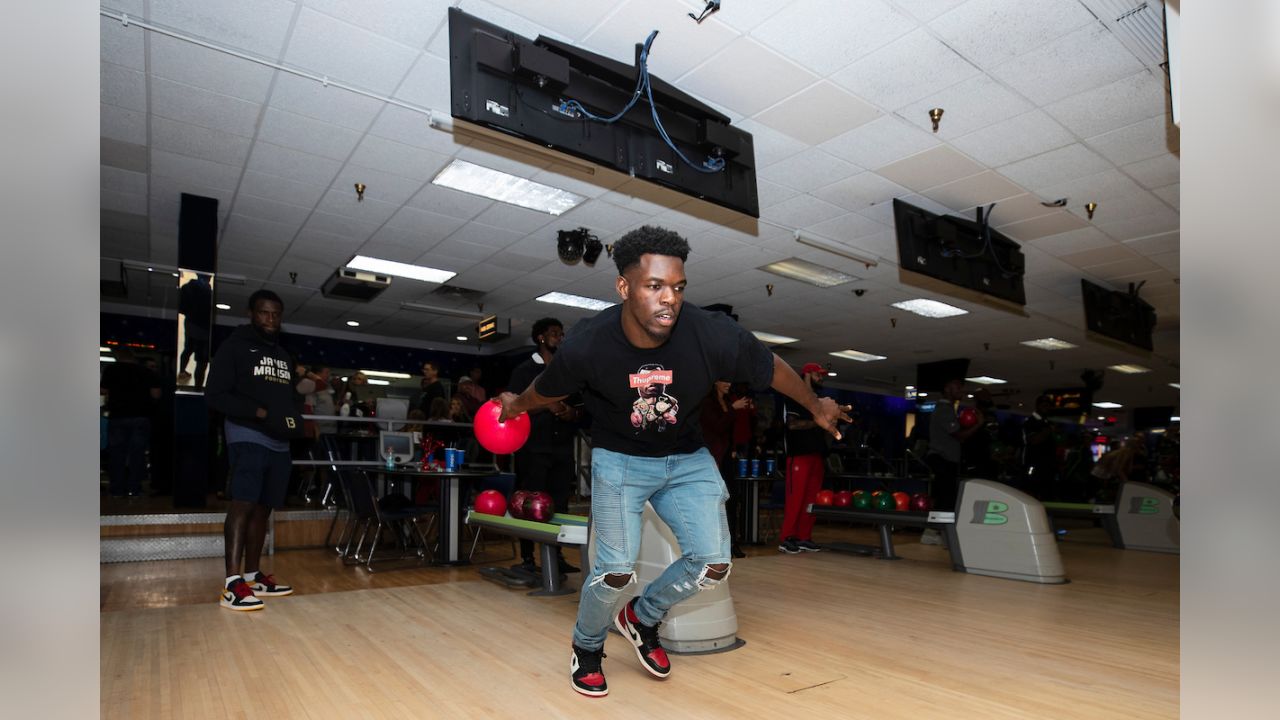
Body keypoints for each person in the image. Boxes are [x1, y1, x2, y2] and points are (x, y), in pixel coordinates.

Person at [495, 226, 850, 698]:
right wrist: (516, 407)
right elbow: (549, 389)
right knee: (614, 569)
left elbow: (770, 367)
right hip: (620, 460)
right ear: (624, 287)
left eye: (678, 287)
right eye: (655, 286)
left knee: (713, 563)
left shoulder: (710, 333)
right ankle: (587, 646)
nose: (670, 299)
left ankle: (641, 618)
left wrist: (815, 404)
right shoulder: (588, 342)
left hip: (686, 458)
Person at [205, 289, 304, 611]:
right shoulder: (234, 347)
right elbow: (215, 395)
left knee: (265, 507)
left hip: (279, 439)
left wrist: (294, 418)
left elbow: (286, 397)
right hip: (247, 432)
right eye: (264, 313)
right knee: (244, 502)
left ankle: (252, 574)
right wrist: (260, 413)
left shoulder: (284, 355)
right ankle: (232, 583)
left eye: (276, 314)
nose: (271, 320)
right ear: (251, 313)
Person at [508, 317, 583, 576]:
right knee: (528, 504)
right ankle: (528, 559)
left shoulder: (567, 370)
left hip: (561, 448)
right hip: (533, 449)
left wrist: (570, 412)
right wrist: (546, 405)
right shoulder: (524, 371)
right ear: (540, 337)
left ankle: (556, 556)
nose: (559, 338)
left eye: (562, 334)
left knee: (559, 505)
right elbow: (514, 407)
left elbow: (580, 407)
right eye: (554, 333)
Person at [922, 378, 985, 545]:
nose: (961, 391)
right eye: (958, 388)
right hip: (941, 458)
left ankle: (937, 532)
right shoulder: (944, 410)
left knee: (946, 497)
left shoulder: (949, 409)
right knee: (946, 498)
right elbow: (959, 436)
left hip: (945, 459)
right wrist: (978, 425)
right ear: (948, 389)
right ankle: (932, 533)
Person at [777, 363, 831, 554]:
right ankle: (787, 538)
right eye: (818, 374)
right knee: (796, 498)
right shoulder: (794, 396)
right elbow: (792, 425)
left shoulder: (816, 401)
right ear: (807, 374)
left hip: (816, 455)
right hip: (798, 455)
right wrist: (818, 422)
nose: (821, 378)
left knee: (811, 500)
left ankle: (803, 537)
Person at [699, 380, 752, 558]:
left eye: (731, 380)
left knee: (731, 499)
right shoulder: (707, 403)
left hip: (727, 455)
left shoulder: (729, 402)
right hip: (712, 457)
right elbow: (716, 426)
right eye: (725, 380)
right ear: (715, 382)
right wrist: (732, 409)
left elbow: (732, 429)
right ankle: (712, 545)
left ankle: (731, 543)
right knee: (714, 501)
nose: (729, 384)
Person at [100, 347, 161, 497]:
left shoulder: (111, 370)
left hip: (118, 416)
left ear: (119, 357)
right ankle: (135, 488)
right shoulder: (146, 372)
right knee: (137, 455)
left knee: (116, 455)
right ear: (134, 357)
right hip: (141, 416)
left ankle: (116, 489)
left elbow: (102, 390)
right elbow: (156, 394)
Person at [176, 274, 212, 387]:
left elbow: (181, 308)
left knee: (188, 349)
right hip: (204, 327)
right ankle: (198, 387)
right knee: (202, 360)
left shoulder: (187, 287)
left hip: (191, 322)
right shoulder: (209, 292)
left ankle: (182, 372)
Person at [1021, 394, 1059, 499]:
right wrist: (1048, 431)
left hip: (1047, 466)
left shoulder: (1047, 422)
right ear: (1037, 406)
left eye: (1048, 405)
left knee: (1046, 492)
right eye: (1043, 405)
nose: (1046, 408)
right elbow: (1033, 440)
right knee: (1031, 491)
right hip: (1034, 464)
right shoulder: (1031, 422)